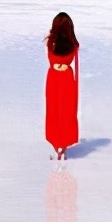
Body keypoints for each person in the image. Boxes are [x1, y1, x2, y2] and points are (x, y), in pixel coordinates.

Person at [44, 12, 79, 160]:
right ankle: (62, 145)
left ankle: (56, 142)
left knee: (54, 110)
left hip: (54, 77)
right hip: (66, 78)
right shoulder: (73, 44)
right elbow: (75, 65)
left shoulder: (51, 42)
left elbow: (51, 58)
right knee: (65, 110)